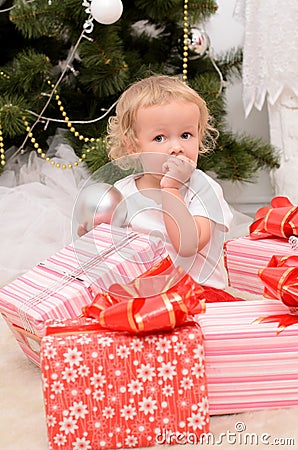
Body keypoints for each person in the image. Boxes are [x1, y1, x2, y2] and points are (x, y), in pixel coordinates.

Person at [78, 75, 233, 289]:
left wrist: (171, 188)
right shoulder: (123, 192)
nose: (176, 147)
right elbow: (113, 251)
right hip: (146, 292)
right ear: (133, 147)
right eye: (160, 138)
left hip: (200, 292)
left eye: (186, 135)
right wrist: (92, 235)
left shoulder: (203, 189)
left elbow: (188, 245)